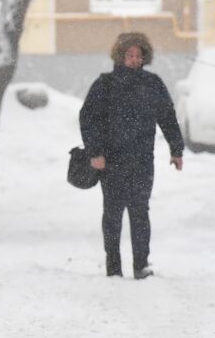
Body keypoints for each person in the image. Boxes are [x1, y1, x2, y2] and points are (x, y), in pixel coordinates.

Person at [78, 32, 184, 280]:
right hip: (111, 162)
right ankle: (113, 266)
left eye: (139, 55)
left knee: (140, 213)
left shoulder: (153, 84)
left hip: (141, 161)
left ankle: (141, 265)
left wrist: (176, 149)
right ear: (120, 56)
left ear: (145, 57)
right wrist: (94, 153)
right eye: (130, 55)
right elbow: (88, 119)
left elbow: (167, 118)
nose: (135, 60)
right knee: (113, 214)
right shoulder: (105, 85)